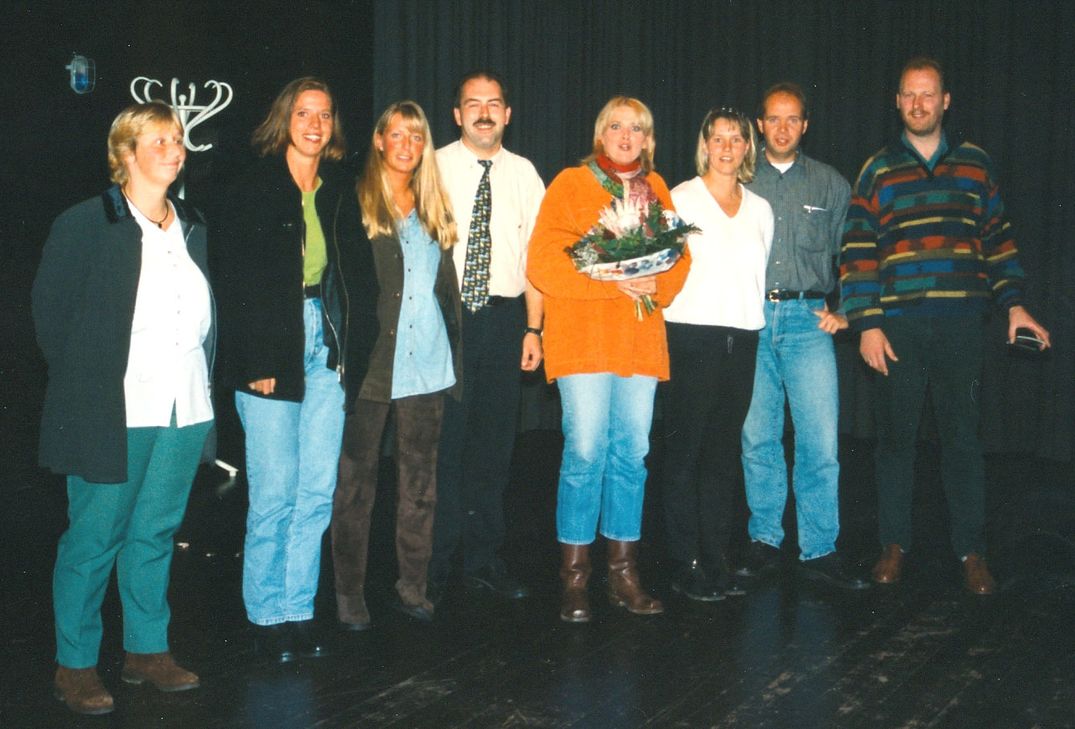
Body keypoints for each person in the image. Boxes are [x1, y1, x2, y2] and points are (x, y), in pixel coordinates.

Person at [841, 57, 1051, 595]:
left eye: (927, 95)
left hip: (961, 324)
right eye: (909, 95)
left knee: (963, 441)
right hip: (899, 328)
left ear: (946, 101)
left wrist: (1016, 305)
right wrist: (867, 322)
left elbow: (999, 241)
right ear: (897, 101)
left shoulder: (976, 165)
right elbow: (859, 250)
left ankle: (971, 551)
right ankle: (893, 545)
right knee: (894, 442)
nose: (918, 104)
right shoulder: (878, 169)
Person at [33, 101, 214, 715]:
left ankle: (146, 650)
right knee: (94, 537)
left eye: (177, 139)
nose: (173, 148)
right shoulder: (85, 223)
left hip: (184, 405)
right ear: (126, 154)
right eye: (158, 140)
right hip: (114, 408)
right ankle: (75, 664)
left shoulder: (190, 224)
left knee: (155, 533)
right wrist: (88, 390)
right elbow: (49, 321)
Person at [213, 78, 377, 661]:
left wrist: (353, 350)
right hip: (271, 348)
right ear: (284, 119)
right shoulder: (252, 186)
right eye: (304, 113)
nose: (315, 123)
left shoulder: (338, 190)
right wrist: (253, 360)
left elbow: (358, 279)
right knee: (275, 491)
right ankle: (264, 614)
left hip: (324, 347)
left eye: (325, 115)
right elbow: (230, 284)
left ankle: (298, 608)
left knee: (316, 489)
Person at [527, 96, 690, 623]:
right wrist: (613, 282)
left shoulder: (656, 188)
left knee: (632, 453)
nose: (626, 135)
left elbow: (679, 260)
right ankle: (574, 578)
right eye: (616, 126)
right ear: (601, 133)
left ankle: (623, 572)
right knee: (586, 449)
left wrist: (655, 283)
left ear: (647, 138)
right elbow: (543, 264)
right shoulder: (570, 184)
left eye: (636, 128)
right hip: (583, 340)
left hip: (639, 341)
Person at [331, 100, 461, 626]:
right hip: (372, 366)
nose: (407, 144)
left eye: (416, 136)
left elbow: (444, 292)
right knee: (356, 483)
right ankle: (347, 593)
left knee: (420, 486)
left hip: (427, 365)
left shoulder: (434, 205)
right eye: (397, 135)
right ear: (380, 140)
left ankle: (412, 585)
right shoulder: (353, 200)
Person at [737, 83, 868, 590]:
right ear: (760, 124)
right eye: (774, 119)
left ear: (805, 125)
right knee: (758, 436)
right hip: (751, 320)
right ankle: (764, 539)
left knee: (819, 441)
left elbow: (855, 253)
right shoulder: (740, 182)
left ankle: (819, 548)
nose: (783, 128)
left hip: (808, 320)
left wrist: (848, 309)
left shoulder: (832, 185)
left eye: (793, 119)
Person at [429, 70, 545, 603]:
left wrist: (533, 328)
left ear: (508, 114)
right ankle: (434, 562)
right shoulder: (431, 166)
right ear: (456, 115)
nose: (483, 112)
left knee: (493, 448)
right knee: (443, 444)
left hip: (503, 321)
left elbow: (536, 263)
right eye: (472, 103)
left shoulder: (525, 175)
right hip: (444, 319)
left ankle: (482, 557)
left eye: (493, 103)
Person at [661, 107, 773, 601]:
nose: (727, 147)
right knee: (685, 452)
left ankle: (716, 558)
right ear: (704, 145)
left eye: (737, 139)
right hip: (691, 338)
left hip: (743, 340)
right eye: (718, 138)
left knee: (723, 455)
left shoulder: (762, 208)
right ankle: (685, 562)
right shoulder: (679, 199)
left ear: (748, 147)